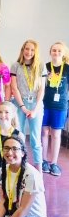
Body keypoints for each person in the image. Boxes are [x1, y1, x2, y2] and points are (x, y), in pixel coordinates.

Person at [11, 40, 46, 172]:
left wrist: (35, 109)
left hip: (36, 104)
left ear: (35, 52)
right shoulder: (15, 66)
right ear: (22, 49)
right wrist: (23, 107)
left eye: (32, 50)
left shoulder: (41, 66)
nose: (29, 52)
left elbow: (42, 89)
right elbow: (14, 87)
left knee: (35, 139)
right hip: (19, 103)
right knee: (18, 136)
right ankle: (19, 166)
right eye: (27, 49)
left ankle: (39, 170)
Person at [0, 101, 24, 211]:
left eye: (6, 112)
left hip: (12, 179)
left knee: (11, 208)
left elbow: (21, 162)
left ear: (12, 114)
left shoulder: (19, 135)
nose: (3, 115)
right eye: (0, 112)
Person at [41, 42, 69, 176]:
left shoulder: (67, 68)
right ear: (50, 52)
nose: (56, 53)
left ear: (63, 53)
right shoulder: (45, 67)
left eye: (59, 51)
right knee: (45, 132)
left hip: (60, 105)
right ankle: (44, 161)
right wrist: (47, 79)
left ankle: (54, 163)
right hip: (45, 104)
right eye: (54, 50)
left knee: (56, 134)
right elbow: (39, 85)